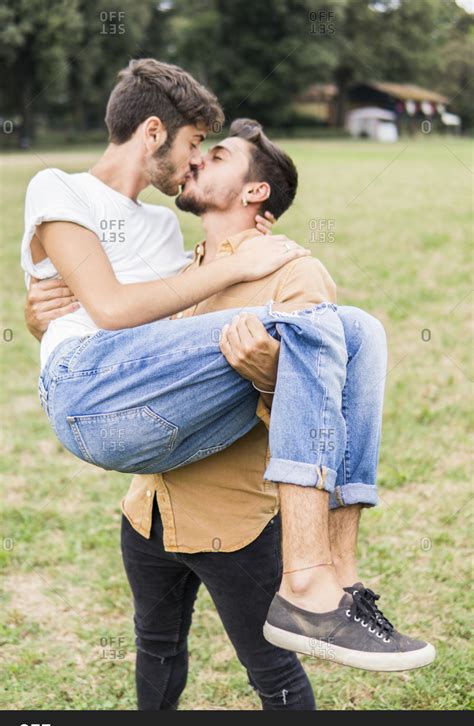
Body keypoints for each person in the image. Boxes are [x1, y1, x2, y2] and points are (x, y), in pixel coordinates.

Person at [23, 59, 435, 678]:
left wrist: (252, 283)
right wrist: (44, 320)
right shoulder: (58, 186)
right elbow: (108, 308)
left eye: (211, 155)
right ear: (154, 133)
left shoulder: (167, 232)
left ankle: (333, 579)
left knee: (363, 330)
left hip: (159, 418)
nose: (195, 163)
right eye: (196, 147)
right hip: (89, 393)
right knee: (320, 326)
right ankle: (305, 585)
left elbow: (162, 324)